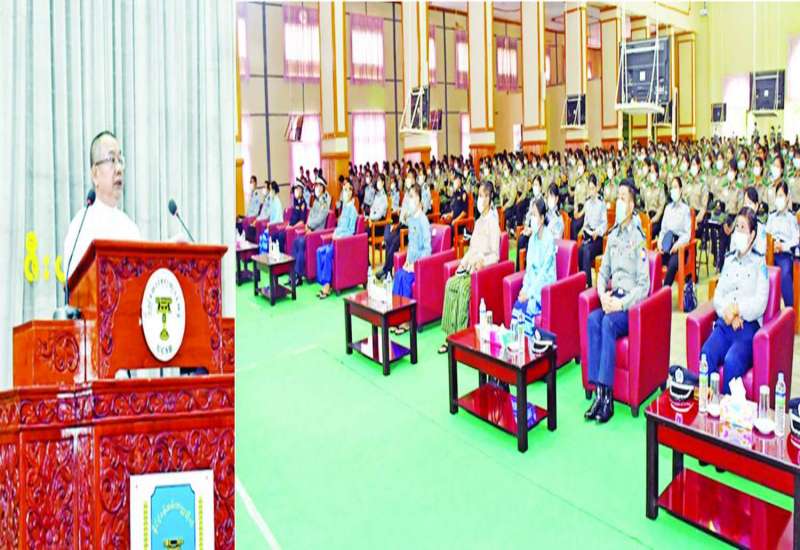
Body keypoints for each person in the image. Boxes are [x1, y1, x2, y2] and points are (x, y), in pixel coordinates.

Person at [585, 180, 650, 423]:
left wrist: (620, 304)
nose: (618, 202)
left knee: (608, 323)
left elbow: (644, 285)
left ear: (631, 205)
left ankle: (608, 398)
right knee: (593, 319)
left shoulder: (638, 237)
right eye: (618, 197)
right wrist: (603, 295)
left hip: (628, 305)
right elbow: (603, 272)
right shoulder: (613, 235)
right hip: (612, 298)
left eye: (623, 198)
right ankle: (598, 393)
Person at [700, 207, 768, 394]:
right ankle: (709, 405)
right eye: (736, 227)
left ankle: (725, 409)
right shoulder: (729, 260)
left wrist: (737, 309)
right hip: (725, 324)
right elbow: (718, 296)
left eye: (743, 228)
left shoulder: (759, 264)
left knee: (732, 361)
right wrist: (727, 312)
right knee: (706, 354)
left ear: (752, 235)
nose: (738, 232)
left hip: (747, 329)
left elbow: (760, 303)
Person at [64, 131, 141, 278]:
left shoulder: (131, 228)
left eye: (120, 160)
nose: (119, 169)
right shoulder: (80, 226)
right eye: (112, 160)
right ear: (95, 174)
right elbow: (74, 284)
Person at [438, 181, 501, 354]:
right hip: (469, 268)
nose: (479, 200)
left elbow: (495, 255)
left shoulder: (493, 223)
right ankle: (449, 334)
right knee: (451, 284)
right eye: (478, 196)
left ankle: (459, 337)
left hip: (481, 272)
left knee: (464, 289)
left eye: (482, 196)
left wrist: (483, 262)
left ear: (489, 198)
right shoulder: (479, 221)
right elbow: (472, 249)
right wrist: (463, 262)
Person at [391, 184, 432, 335]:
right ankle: (395, 316)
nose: (410, 200)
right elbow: (412, 245)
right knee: (399, 275)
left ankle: (407, 320)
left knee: (407, 279)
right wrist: (407, 261)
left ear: (420, 200)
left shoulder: (423, 221)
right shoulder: (412, 220)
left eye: (413, 197)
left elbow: (427, 250)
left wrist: (415, 264)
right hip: (411, 263)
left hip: (420, 266)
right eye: (409, 197)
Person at [510, 198, 556, 332]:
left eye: (534, 215)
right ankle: (517, 341)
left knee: (528, 307)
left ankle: (528, 341)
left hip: (544, 287)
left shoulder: (549, 240)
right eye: (531, 215)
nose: (532, 219)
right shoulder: (532, 239)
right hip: (532, 287)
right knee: (517, 308)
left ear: (542, 218)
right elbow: (529, 269)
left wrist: (529, 293)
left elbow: (544, 273)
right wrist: (524, 288)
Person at [316, 181, 357, 299]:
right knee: (319, 251)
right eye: (344, 190)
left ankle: (327, 286)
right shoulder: (344, 208)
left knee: (329, 252)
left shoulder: (352, 210)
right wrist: (335, 233)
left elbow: (351, 231)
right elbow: (339, 226)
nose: (345, 192)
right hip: (335, 240)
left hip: (342, 243)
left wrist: (339, 236)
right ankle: (324, 283)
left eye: (347, 190)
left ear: (351, 192)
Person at [766, 182, 799, 307]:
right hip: (770, 252)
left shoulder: (791, 218)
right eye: (777, 196)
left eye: (781, 196)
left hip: (784, 254)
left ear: (787, 197)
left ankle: (790, 309)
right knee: (763, 272)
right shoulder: (771, 217)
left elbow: (795, 240)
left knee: (784, 274)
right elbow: (766, 234)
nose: (779, 199)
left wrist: (783, 247)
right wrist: (771, 246)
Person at [291, 179, 331, 283]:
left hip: (317, 233)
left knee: (301, 242)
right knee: (296, 241)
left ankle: (298, 276)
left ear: (322, 187)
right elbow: (310, 216)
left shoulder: (324, 203)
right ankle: (294, 273)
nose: (315, 188)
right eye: (315, 185)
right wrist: (307, 226)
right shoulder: (316, 201)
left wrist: (310, 226)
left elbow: (320, 219)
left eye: (318, 186)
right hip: (310, 230)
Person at [656, 176, 691, 287]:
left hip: (679, 248)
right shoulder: (667, 208)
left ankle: (664, 292)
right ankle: (653, 292)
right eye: (672, 188)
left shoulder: (685, 209)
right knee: (654, 260)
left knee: (672, 265)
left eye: (676, 187)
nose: (673, 190)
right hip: (666, 244)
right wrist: (659, 243)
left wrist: (677, 245)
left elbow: (687, 234)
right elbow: (663, 230)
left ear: (680, 190)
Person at [578, 175, 608, 288]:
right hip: (588, 236)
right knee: (580, 250)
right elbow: (585, 222)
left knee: (586, 251)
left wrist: (597, 232)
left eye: (592, 188)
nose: (591, 191)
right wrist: (583, 229)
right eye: (589, 188)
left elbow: (605, 224)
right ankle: (581, 281)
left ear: (596, 188)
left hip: (597, 239)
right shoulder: (587, 203)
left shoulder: (601, 203)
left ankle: (588, 284)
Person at [275, 183, 307, 252]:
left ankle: (281, 255)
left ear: (301, 191)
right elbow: (293, 218)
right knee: (274, 235)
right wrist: (288, 225)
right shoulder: (296, 201)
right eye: (296, 189)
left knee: (281, 236)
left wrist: (292, 227)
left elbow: (302, 222)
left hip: (294, 228)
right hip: (290, 226)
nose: (296, 191)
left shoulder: (303, 204)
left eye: (298, 189)